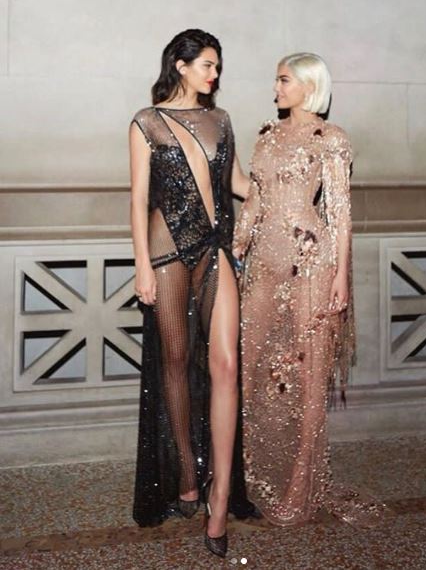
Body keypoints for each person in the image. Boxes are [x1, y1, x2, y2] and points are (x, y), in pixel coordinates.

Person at [233, 52, 385, 527]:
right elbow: (254, 200)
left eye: (283, 80)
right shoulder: (266, 134)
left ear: (308, 86)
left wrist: (340, 277)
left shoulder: (332, 138)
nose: (275, 88)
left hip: (311, 263)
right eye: (277, 79)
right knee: (251, 364)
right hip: (263, 263)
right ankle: (253, 476)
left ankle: (298, 489)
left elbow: (340, 214)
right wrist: (235, 252)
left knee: (308, 371)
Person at [129, 28, 251, 557]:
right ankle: (185, 470)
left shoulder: (221, 120)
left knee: (226, 365)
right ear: (180, 65)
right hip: (166, 253)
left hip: (216, 249)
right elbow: (137, 200)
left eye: (217, 66)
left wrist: (291, 182)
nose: (215, 75)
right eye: (207, 65)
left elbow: (240, 184)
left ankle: (219, 497)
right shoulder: (147, 121)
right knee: (176, 362)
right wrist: (142, 266)